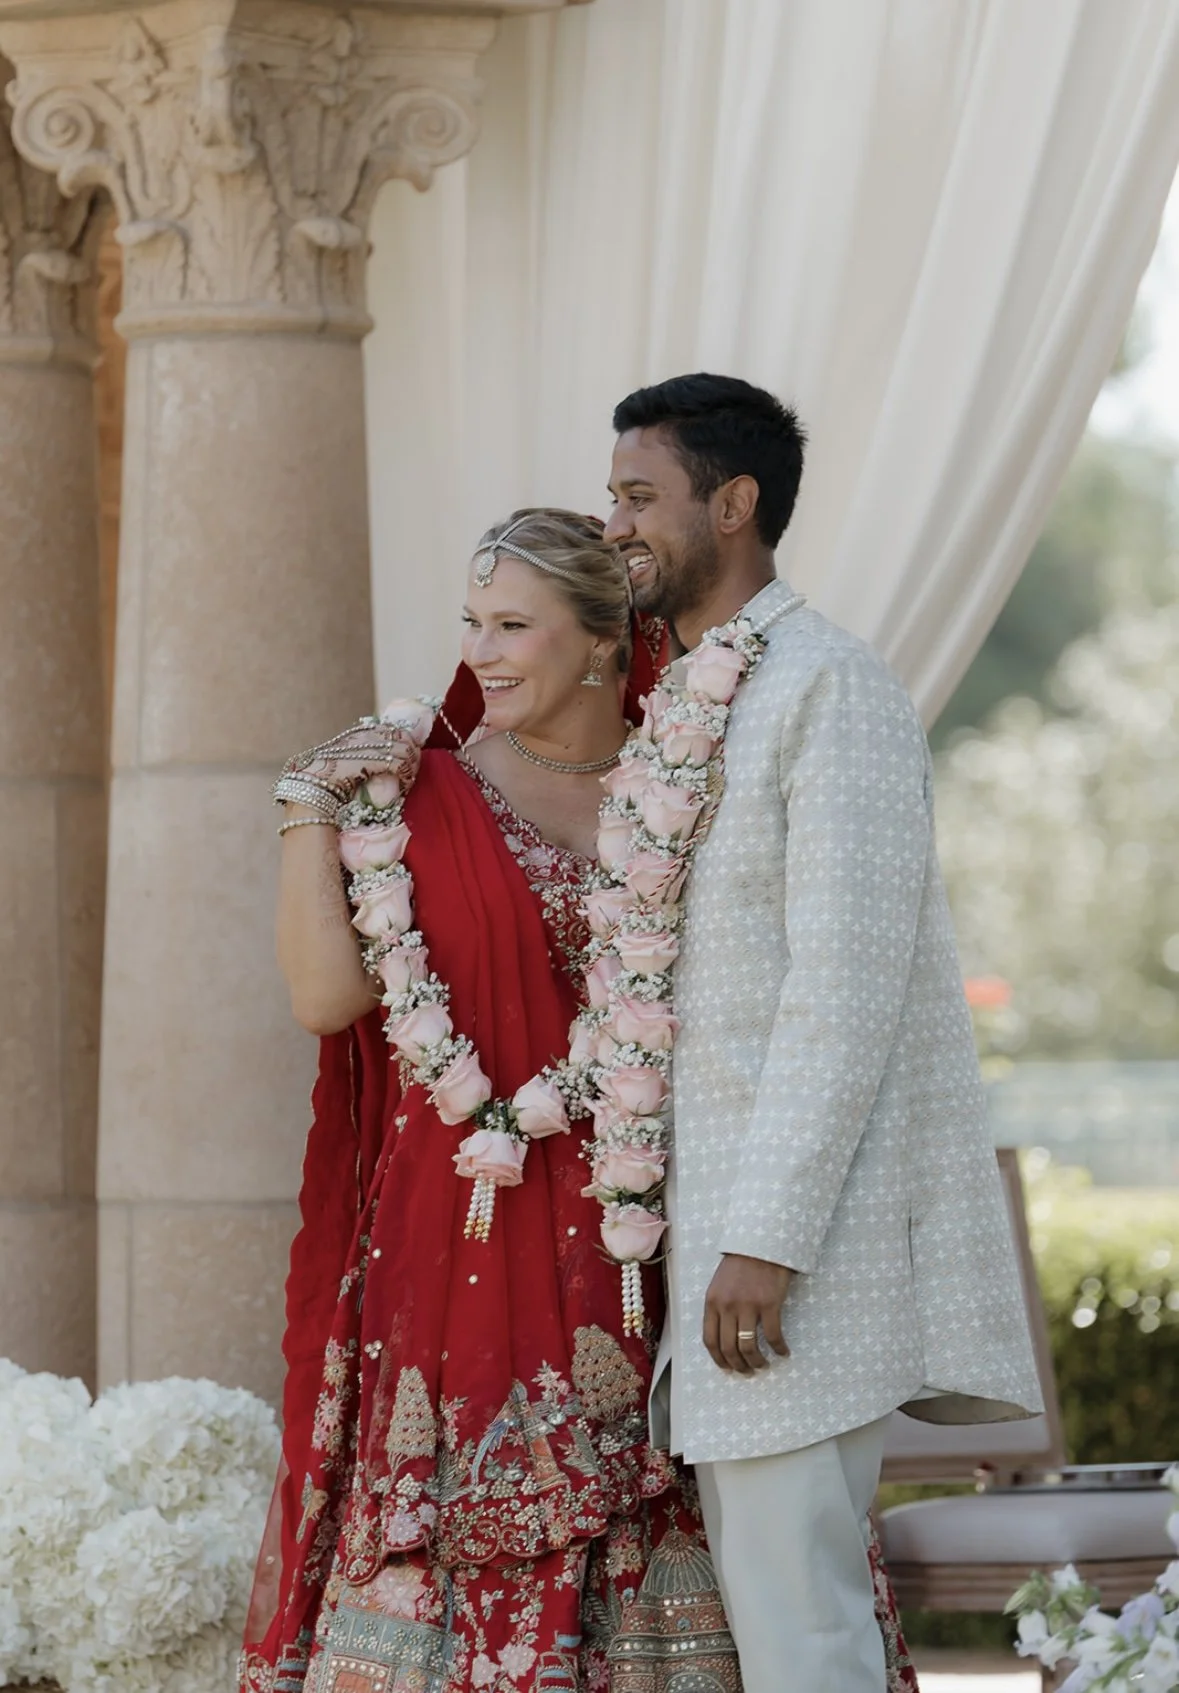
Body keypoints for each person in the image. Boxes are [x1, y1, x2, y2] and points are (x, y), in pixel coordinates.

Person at [240, 508, 920, 1693]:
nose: (484, 651)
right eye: (473, 623)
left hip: (657, 1226)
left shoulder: (697, 792)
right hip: (456, 1247)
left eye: (515, 624)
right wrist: (309, 804)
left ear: (607, 644)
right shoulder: (413, 795)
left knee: (711, 1532)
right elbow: (324, 995)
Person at [602, 373, 1044, 1693]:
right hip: (719, 1267)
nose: (611, 521)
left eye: (638, 495)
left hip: (794, 1270)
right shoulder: (692, 701)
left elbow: (841, 991)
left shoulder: (827, 689)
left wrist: (761, 1242)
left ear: (729, 505)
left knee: (803, 1631)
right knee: (775, 1619)